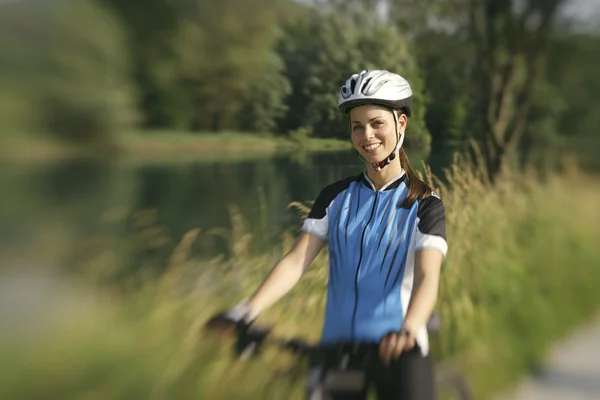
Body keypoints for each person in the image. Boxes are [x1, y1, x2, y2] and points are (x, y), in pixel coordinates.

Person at [205, 69, 448, 400]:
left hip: (398, 350)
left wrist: (408, 329)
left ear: (400, 124)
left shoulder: (424, 204)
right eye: (357, 126)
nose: (367, 135)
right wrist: (246, 310)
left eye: (377, 123)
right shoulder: (336, 197)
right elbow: (295, 262)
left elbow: (427, 277)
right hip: (337, 350)